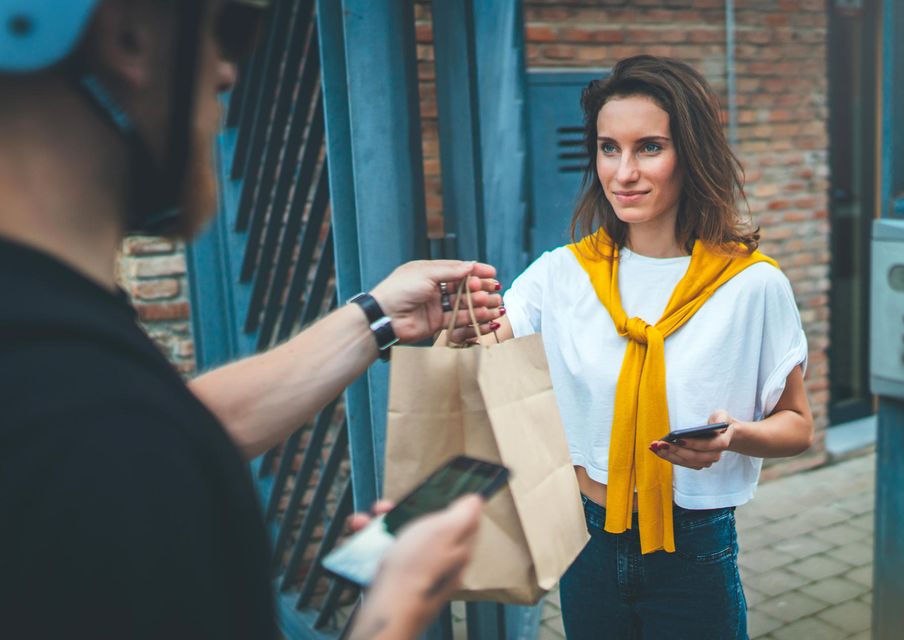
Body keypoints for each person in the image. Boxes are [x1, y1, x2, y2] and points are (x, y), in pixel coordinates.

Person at [0, 0, 503, 638]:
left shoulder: (51, 358)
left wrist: (374, 318)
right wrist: (394, 608)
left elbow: (182, 422)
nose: (226, 73)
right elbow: (133, 437)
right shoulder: (94, 438)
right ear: (128, 38)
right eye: (227, 30)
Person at [443, 55, 814, 639]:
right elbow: (479, 342)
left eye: (649, 148)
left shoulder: (751, 284)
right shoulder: (563, 275)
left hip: (693, 548)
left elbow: (797, 424)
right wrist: (453, 318)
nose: (623, 172)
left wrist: (736, 436)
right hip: (588, 540)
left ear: (690, 155)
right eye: (609, 148)